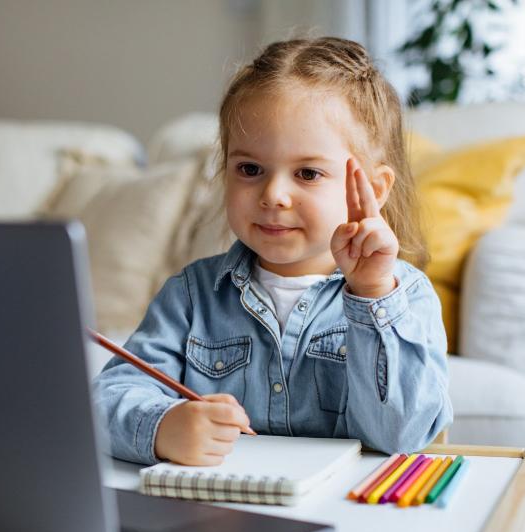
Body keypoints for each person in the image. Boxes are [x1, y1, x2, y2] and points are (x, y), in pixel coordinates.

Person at [92, 36, 452, 466]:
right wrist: (162, 426)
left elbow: (401, 435)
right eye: (250, 169)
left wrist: (372, 292)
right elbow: (106, 402)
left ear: (372, 189)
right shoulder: (191, 296)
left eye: (307, 173)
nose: (274, 194)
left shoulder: (404, 297)